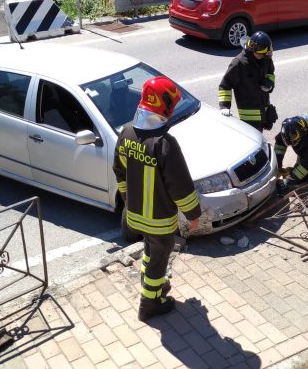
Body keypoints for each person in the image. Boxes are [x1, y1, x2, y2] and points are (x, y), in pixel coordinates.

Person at [112, 76, 202, 321]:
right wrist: (193, 215)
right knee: (158, 260)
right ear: (165, 108)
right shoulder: (164, 144)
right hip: (160, 221)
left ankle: (153, 285)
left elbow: (119, 171)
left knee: (150, 252)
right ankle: (150, 303)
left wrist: (128, 198)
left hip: (135, 216)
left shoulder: (126, 134)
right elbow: (180, 186)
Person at [218, 31, 276, 132]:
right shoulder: (239, 63)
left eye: (264, 55)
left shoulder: (266, 58)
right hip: (249, 118)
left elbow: (271, 73)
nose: (262, 56)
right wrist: (224, 106)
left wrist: (270, 83)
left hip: (263, 110)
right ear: (252, 49)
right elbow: (225, 85)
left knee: (260, 138)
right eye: (260, 54)